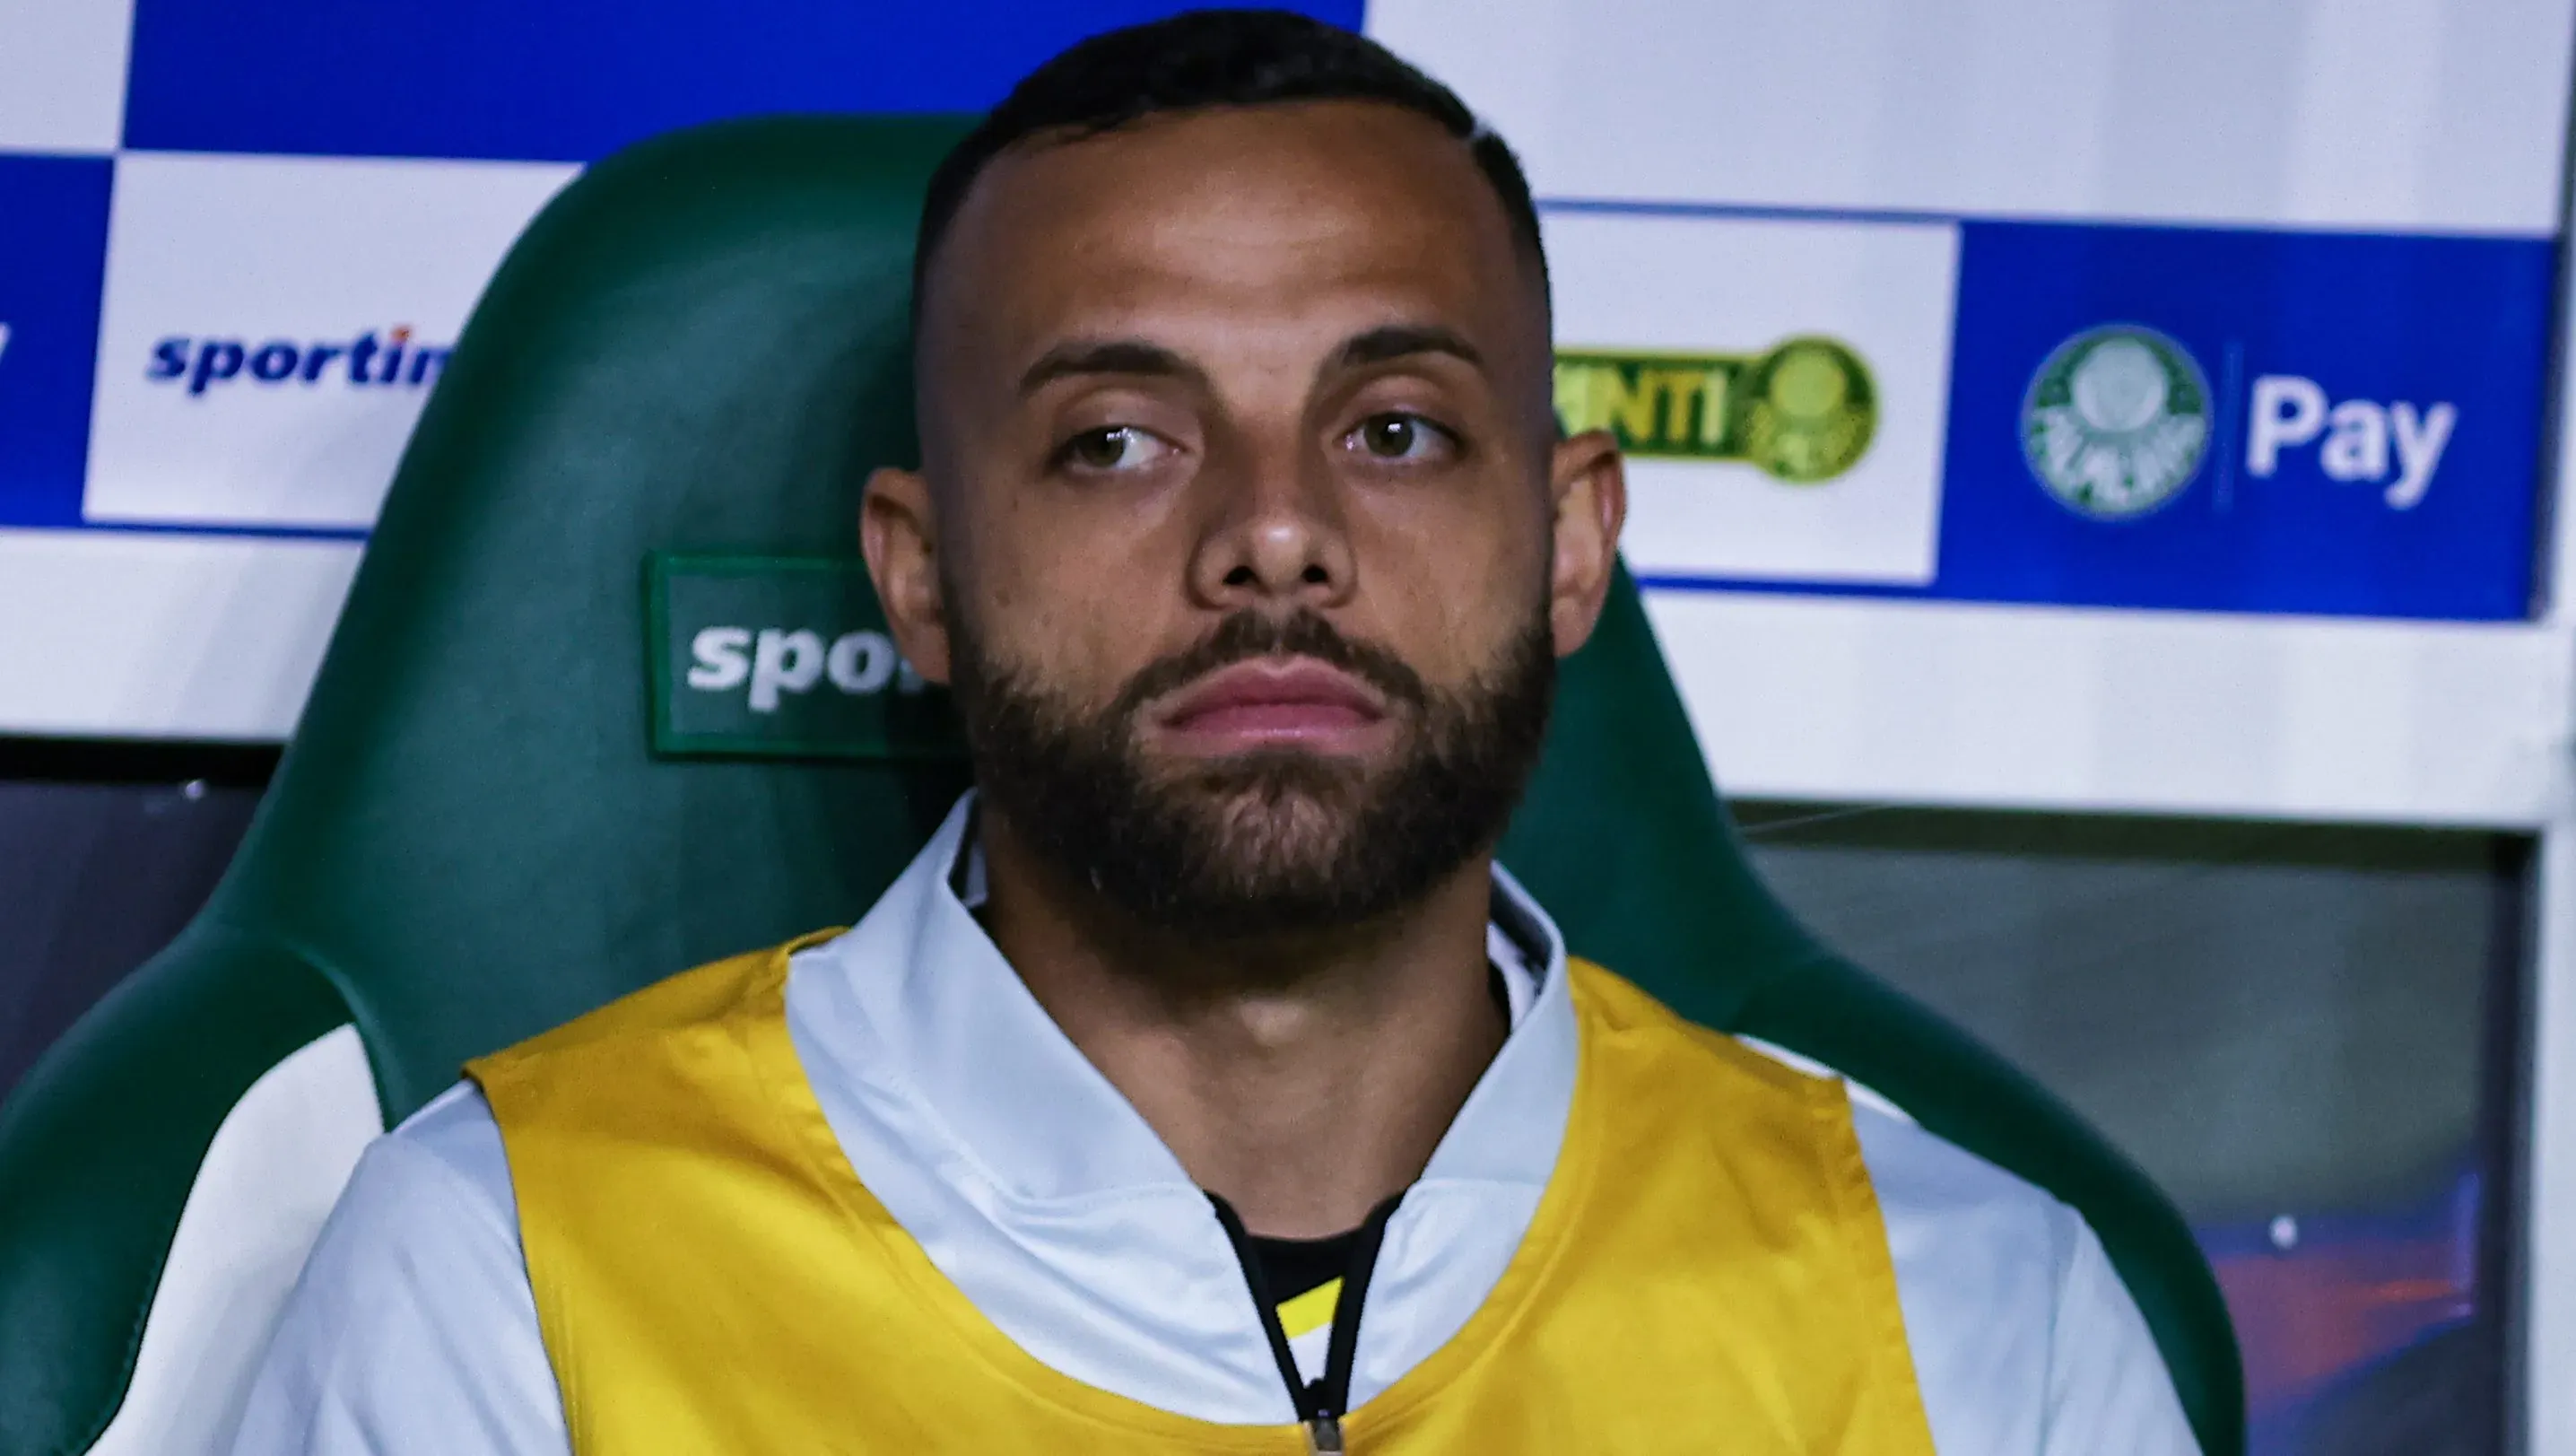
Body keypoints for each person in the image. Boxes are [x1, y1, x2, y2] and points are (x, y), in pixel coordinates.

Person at [232, 10, 2200, 1453]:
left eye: (1395, 429)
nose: (1272, 533)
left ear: (1571, 536)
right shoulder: (506, 1269)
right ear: (916, 575)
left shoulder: (1964, 1313)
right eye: (1114, 441)